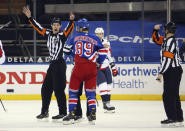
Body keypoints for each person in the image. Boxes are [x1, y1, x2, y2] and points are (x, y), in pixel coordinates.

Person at [22, 6, 75, 121]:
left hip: (60, 65)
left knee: (59, 89)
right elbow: (37, 27)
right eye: (54, 24)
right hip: (52, 65)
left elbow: (70, 28)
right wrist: (30, 18)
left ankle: (63, 112)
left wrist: (71, 21)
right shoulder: (47, 34)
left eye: (57, 25)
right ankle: (44, 111)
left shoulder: (62, 35)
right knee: (45, 89)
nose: (56, 26)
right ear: (51, 26)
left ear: (60, 26)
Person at [63, 18, 108, 125]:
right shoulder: (95, 38)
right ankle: (92, 114)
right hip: (92, 69)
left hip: (79, 68)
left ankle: (72, 113)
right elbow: (103, 51)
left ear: (79, 27)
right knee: (91, 93)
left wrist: (76, 55)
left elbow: (66, 50)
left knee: (73, 91)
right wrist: (98, 63)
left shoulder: (74, 37)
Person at [152, 22, 184, 127]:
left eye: (165, 29)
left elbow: (167, 59)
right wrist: (155, 30)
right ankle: (178, 117)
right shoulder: (168, 40)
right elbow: (156, 40)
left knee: (167, 95)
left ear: (166, 30)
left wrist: (161, 73)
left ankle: (172, 118)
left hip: (172, 70)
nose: (164, 30)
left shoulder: (170, 42)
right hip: (174, 70)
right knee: (173, 95)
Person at [95, 27, 118, 113]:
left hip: (106, 66)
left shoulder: (107, 42)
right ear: (95, 34)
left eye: (101, 34)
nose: (100, 35)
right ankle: (105, 104)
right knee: (103, 85)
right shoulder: (93, 43)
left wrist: (113, 66)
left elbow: (109, 55)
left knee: (109, 86)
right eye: (98, 34)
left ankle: (107, 103)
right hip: (98, 67)